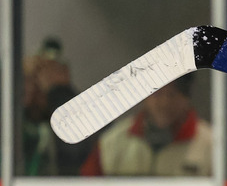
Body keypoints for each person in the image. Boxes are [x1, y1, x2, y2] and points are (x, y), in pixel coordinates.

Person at [80, 76, 211, 176]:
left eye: (172, 94)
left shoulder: (212, 143)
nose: (164, 103)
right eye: (157, 94)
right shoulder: (112, 142)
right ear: (144, 97)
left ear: (186, 99)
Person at [22, 37, 93, 175]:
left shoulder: (64, 107)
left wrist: (59, 91)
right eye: (31, 79)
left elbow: (75, 150)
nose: (39, 84)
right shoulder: (18, 123)